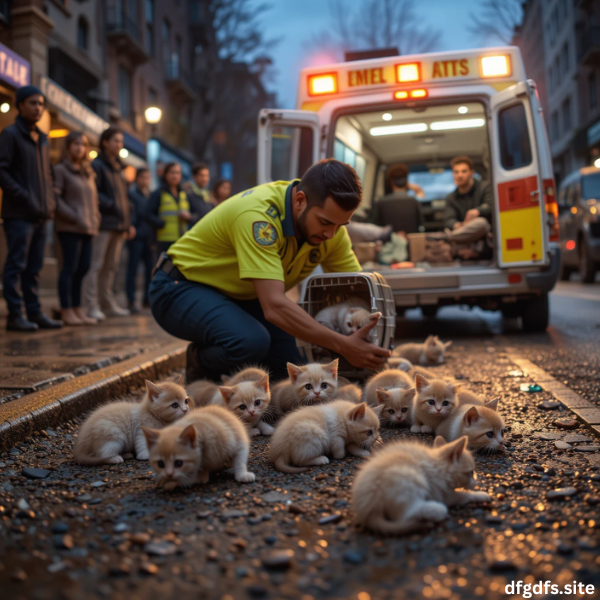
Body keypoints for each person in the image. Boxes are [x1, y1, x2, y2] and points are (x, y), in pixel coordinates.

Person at [149, 158, 391, 384]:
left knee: (294, 369)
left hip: (239, 296)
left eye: (340, 225)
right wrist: (344, 346)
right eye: (326, 222)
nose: (331, 234)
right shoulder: (258, 217)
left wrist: (373, 340)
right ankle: (200, 360)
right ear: (299, 201)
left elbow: (355, 287)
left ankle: (234, 345)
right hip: (178, 286)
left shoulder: (332, 232)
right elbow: (274, 306)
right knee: (249, 341)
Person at [0, 85, 62, 331]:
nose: (38, 108)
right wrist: (24, 196)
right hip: (19, 213)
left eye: (41, 104)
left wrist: (50, 202)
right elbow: (1, 170)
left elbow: (46, 175)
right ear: (20, 105)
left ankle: (35, 313)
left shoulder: (43, 139)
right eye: (33, 103)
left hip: (41, 214)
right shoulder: (11, 134)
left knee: (34, 268)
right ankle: (15, 316)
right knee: (16, 265)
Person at [82, 127, 134, 320]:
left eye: (121, 141)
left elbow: (125, 198)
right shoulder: (98, 165)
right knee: (96, 265)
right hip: (104, 223)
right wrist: (112, 205)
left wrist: (128, 221)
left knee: (111, 266)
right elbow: (95, 194)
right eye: (115, 141)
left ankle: (107, 302)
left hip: (119, 224)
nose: (119, 145)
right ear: (105, 142)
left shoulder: (119, 168)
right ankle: (91, 305)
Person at [53, 132, 100, 326]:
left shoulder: (88, 171)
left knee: (84, 268)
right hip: (69, 227)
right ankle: (66, 310)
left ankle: (77, 308)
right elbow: (56, 198)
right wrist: (74, 216)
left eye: (83, 144)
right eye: (76, 144)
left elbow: (94, 200)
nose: (80, 148)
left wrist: (96, 218)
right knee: (69, 268)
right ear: (68, 146)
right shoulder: (61, 170)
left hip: (88, 228)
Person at [441, 155, 492, 248]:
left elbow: (491, 206)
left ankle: (444, 238)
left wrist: (478, 211)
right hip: (463, 234)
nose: (460, 175)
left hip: (482, 236)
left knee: (481, 222)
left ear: (472, 172)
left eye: (464, 171)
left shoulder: (484, 188)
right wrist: (459, 225)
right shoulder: (451, 197)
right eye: (456, 172)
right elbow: (448, 219)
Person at [146, 162, 192, 254]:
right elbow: (148, 214)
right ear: (165, 175)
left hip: (181, 239)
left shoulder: (184, 194)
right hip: (163, 240)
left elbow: (194, 213)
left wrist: (188, 217)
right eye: (172, 172)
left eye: (177, 173)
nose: (175, 176)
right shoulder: (158, 193)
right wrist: (161, 223)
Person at [125, 167, 154, 313]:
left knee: (150, 269)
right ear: (137, 178)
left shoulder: (150, 195)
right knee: (133, 269)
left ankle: (146, 300)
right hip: (136, 235)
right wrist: (130, 225)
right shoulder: (132, 194)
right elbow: (131, 212)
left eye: (148, 178)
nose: (145, 181)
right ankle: (131, 300)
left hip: (148, 237)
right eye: (143, 177)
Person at [368, 163, 424, 234]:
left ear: (391, 182)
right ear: (406, 182)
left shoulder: (380, 203)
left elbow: (373, 227)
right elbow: (421, 226)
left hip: (388, 244)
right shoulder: (414, 202)